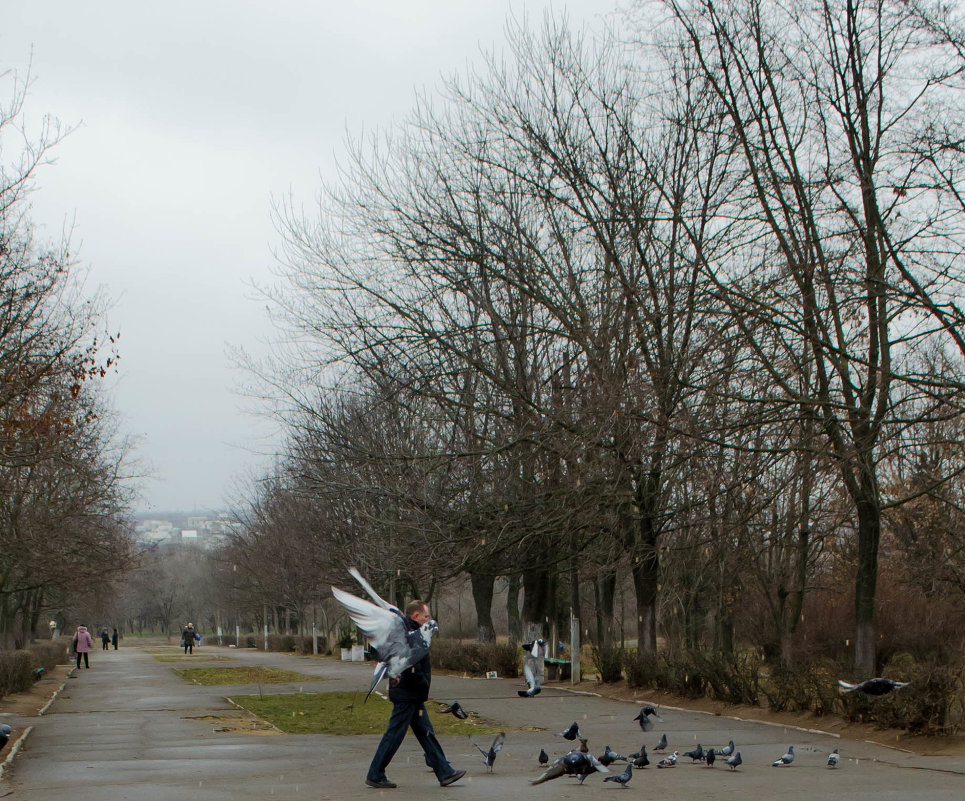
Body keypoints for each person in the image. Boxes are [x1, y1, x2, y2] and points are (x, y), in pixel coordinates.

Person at [365, 600, 465, 789]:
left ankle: (444, 772)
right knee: (394, 735)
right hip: (407, 694)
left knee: (426, 734)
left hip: (412, 694)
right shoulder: (408, 635)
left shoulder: (413, 633)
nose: (429, 620)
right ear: (416, 616)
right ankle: (375, 773)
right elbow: (411, 664)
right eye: (426, 616)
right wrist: (422, 680)